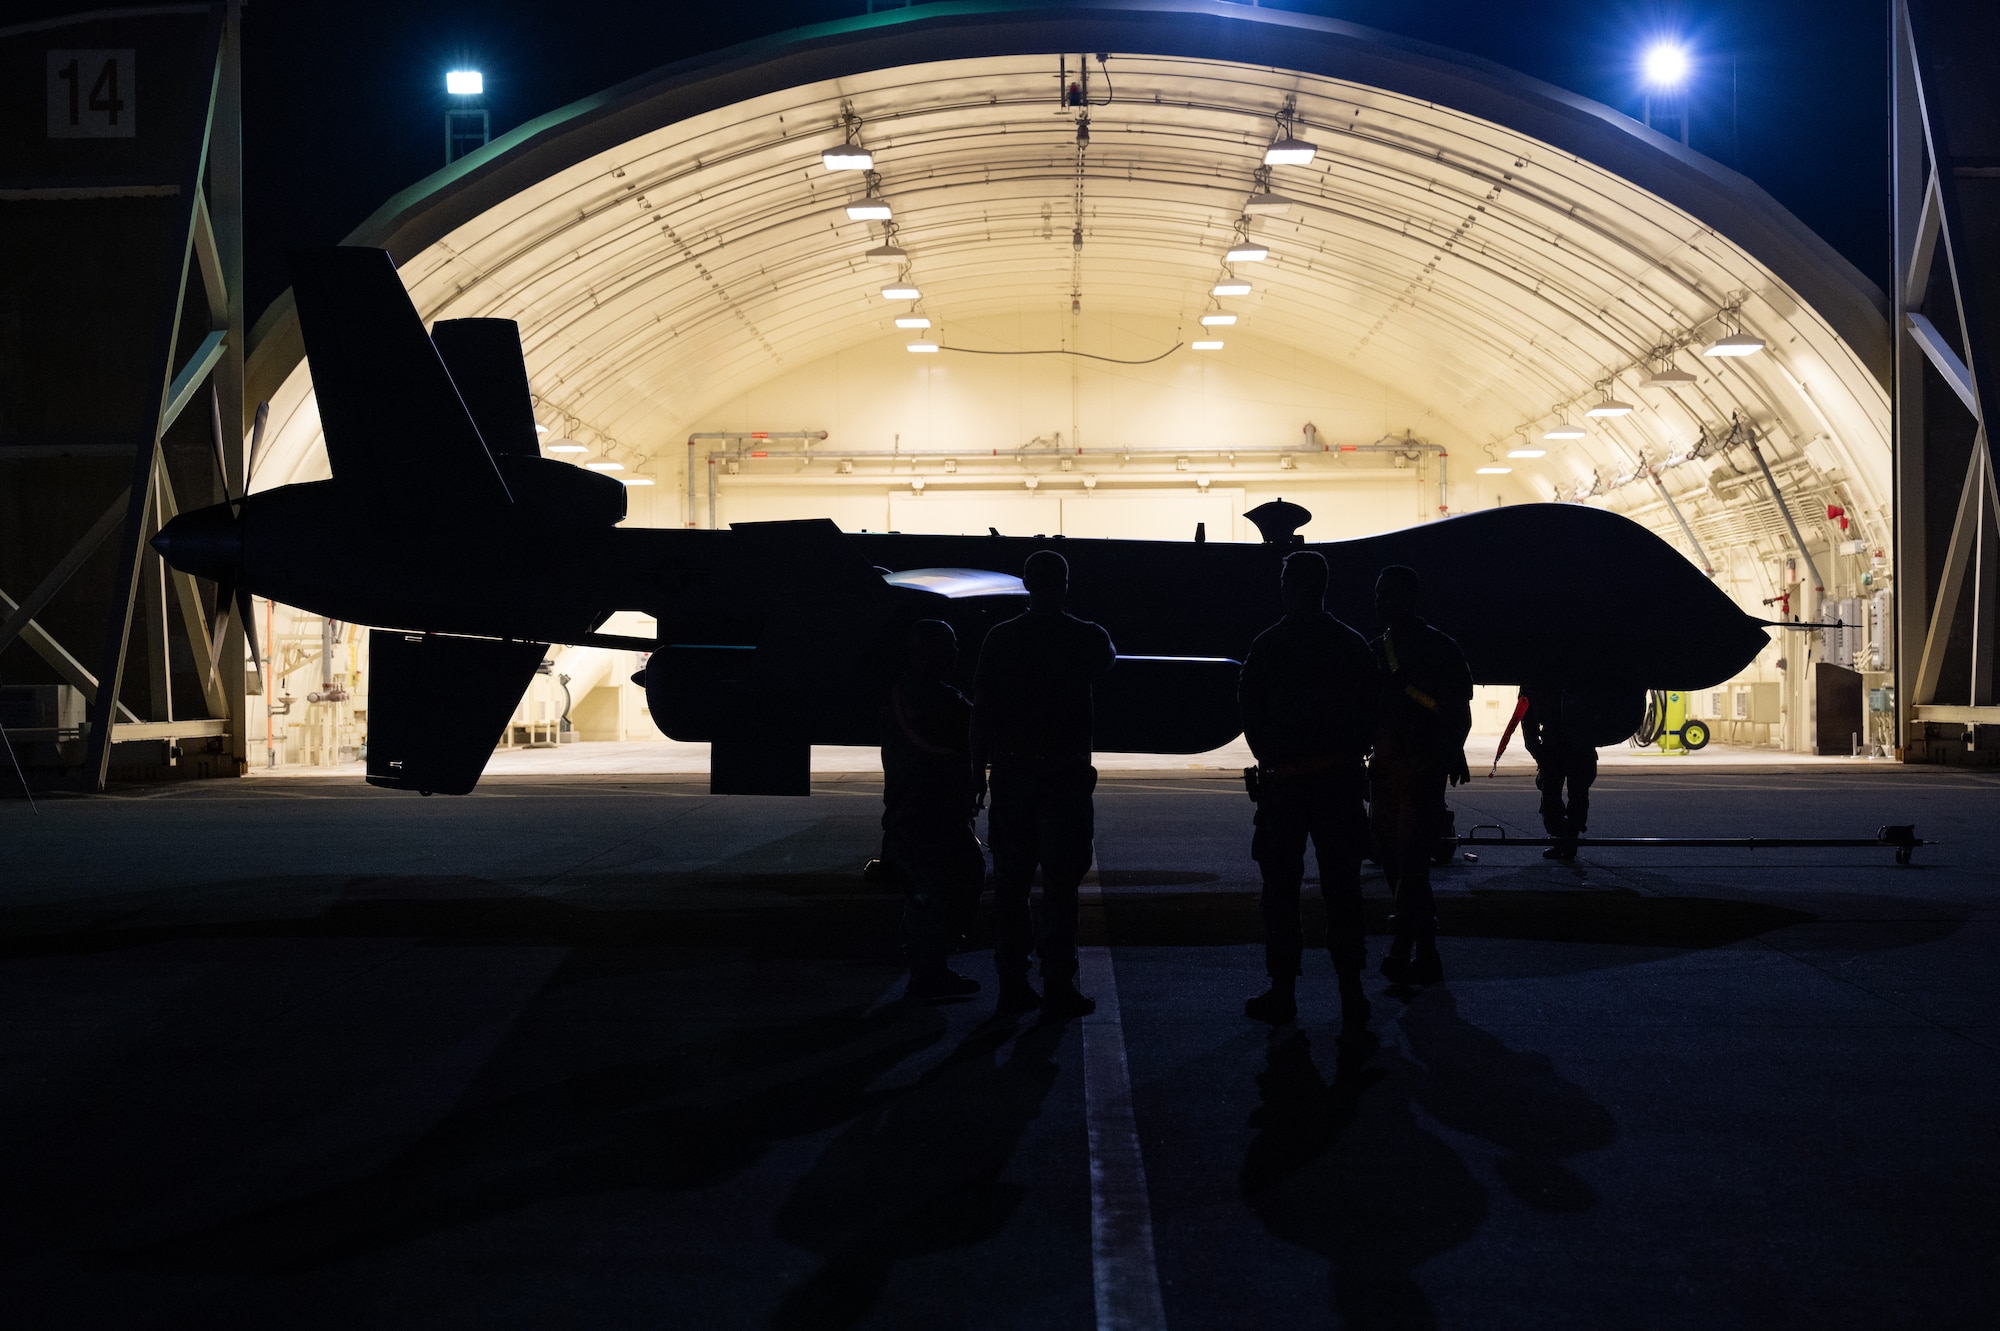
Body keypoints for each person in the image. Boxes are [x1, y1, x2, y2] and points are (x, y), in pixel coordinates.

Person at [1237, 551, 1382, 1038]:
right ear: (1323, 587)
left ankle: (1283, 992)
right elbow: (1371, 712)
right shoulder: (1350, 644)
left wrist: (1275, 757)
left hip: (1283, 789)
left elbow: (1250, 711)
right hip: (1337, 786)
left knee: (1280, 891)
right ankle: (1351, 992)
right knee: (1343, 889)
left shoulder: (1268, 645)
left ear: (1286, 587)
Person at [971, 550, 1116, 1019]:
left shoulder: (1000, 638)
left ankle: (1012, 982)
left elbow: (983, 711)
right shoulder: (1086, 638)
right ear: (1065, 584)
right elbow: (1107, 663)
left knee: (1011, 888)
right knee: (1061, 888)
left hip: (1013, 777)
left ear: (1028, 585)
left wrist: (977, 773)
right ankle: (1058, 982)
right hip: (1064, 778)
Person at [1368, 565, 1473, 986]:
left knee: (1408, 865)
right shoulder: (1439, 649)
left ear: (1401, 599)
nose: (1376, 603)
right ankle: (1419, 949)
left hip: (1415, 771)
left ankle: (1409, 947)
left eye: (1382, 594)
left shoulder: (1391, 651)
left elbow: (1457, 716)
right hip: (1401, 768)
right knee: (1398, 863)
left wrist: (1443, 758)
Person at [880, 620, 985, 1001]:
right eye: (949, 647)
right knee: (951, 885)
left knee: (931, 892)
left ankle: (928, 968)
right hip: (929, 816)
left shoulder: (908, 693)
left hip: (917, 814)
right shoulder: (933, 699)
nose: (956, 655)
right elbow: (974, 726)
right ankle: (929, 971)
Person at [1521, 685, 1598, 861]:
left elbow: (1527, 715)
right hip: (1555, 744)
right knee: (1551, 797)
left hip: (1576, 744)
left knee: (1576, 795)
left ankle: (1569, 838)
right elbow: (1527, 715)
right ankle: (1563, 837)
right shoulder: (1533, 684)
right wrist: (1536, 749)